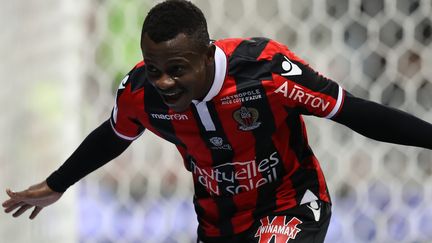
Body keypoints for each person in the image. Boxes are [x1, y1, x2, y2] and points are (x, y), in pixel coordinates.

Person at [3, 0, 432, 242]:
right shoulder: (139, 93)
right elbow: (113, 137)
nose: (164, 81)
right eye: (154, 68)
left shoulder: (267, 72)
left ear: (207, 55)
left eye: (177, 68)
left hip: (290, 205)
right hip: (219, 226)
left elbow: (353, 112)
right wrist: (58, 184)